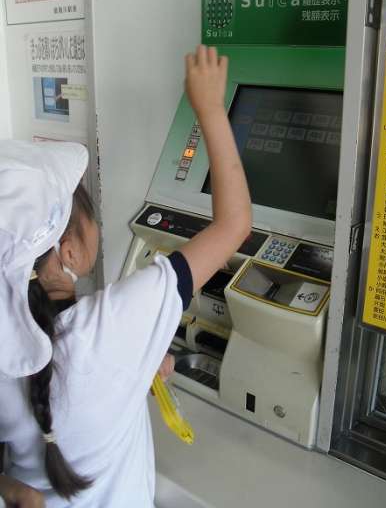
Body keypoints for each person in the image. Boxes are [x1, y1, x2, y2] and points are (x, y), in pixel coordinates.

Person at [0, 45, 251, 507]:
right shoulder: (111, 324)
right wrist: (211, 109)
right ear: (67, 250)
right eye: (89, 212)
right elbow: (234, 224)